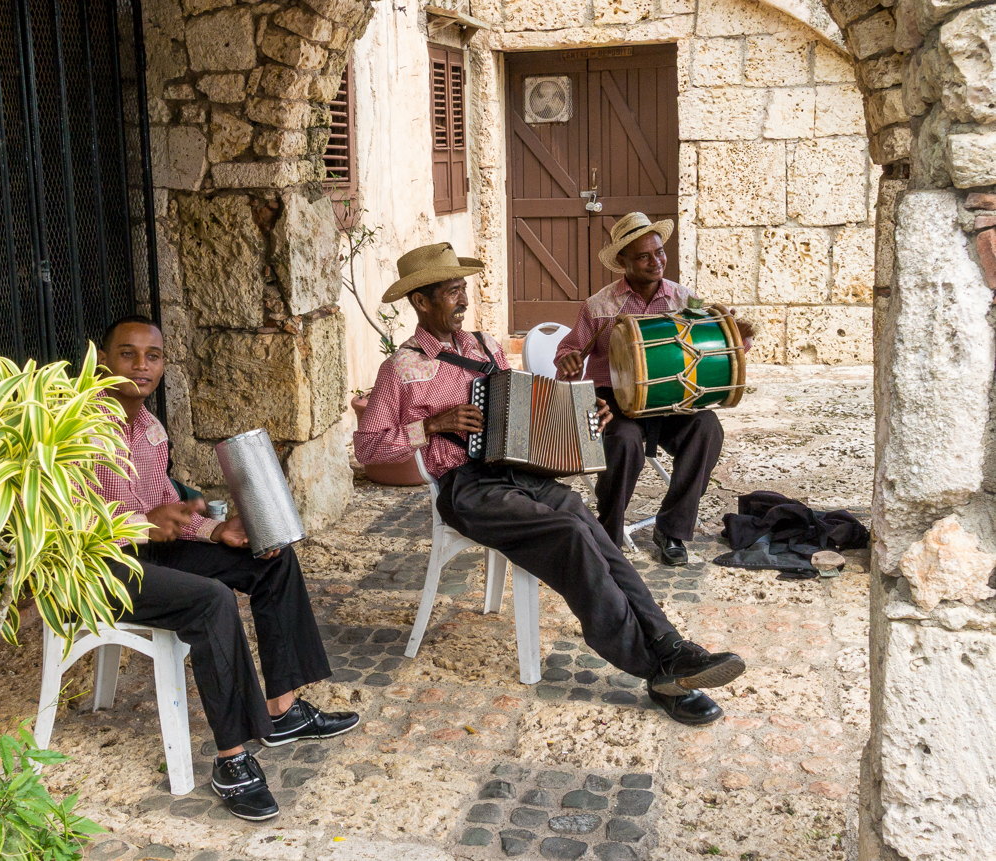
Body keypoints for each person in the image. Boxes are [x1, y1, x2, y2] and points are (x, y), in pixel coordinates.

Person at [353, 243, 745, 726]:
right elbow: (368, 447)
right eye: (452, 292)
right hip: (468, 489)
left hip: (517, 472)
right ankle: (654, 670)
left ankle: (672, 645)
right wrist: (432, 425)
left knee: (597, 534)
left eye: (463, 289)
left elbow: (521, 404)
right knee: (572, 536)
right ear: (421, 301)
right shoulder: (401, 368)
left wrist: (582, 411)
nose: (463, 300)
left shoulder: (485, 346)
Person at [93, 315, 358, 821]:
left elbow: (166, 510)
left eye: (153, 356)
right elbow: (61, 521)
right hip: (98, 566)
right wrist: (141, 524)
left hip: (150, 553)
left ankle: (282, 710)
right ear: (102, 360)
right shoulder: (73, 429)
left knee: (271, 557)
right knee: (211, 601)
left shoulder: (151, 429)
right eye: (127, 353)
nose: (141, 365)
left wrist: (217, 532)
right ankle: (232, 758)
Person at [555, 213, 756, 566]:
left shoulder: (684, 299)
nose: (656, 261)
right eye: (643, 256)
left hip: (672, 397)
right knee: (624, 440)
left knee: (707, 428)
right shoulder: (599, 306)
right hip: (615, 400)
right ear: (623, 262)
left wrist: (734, 336)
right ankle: (608, 534)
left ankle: (672, 529)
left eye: (659, 252)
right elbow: (569, 350)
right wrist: (568, 359)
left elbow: (711, 346)